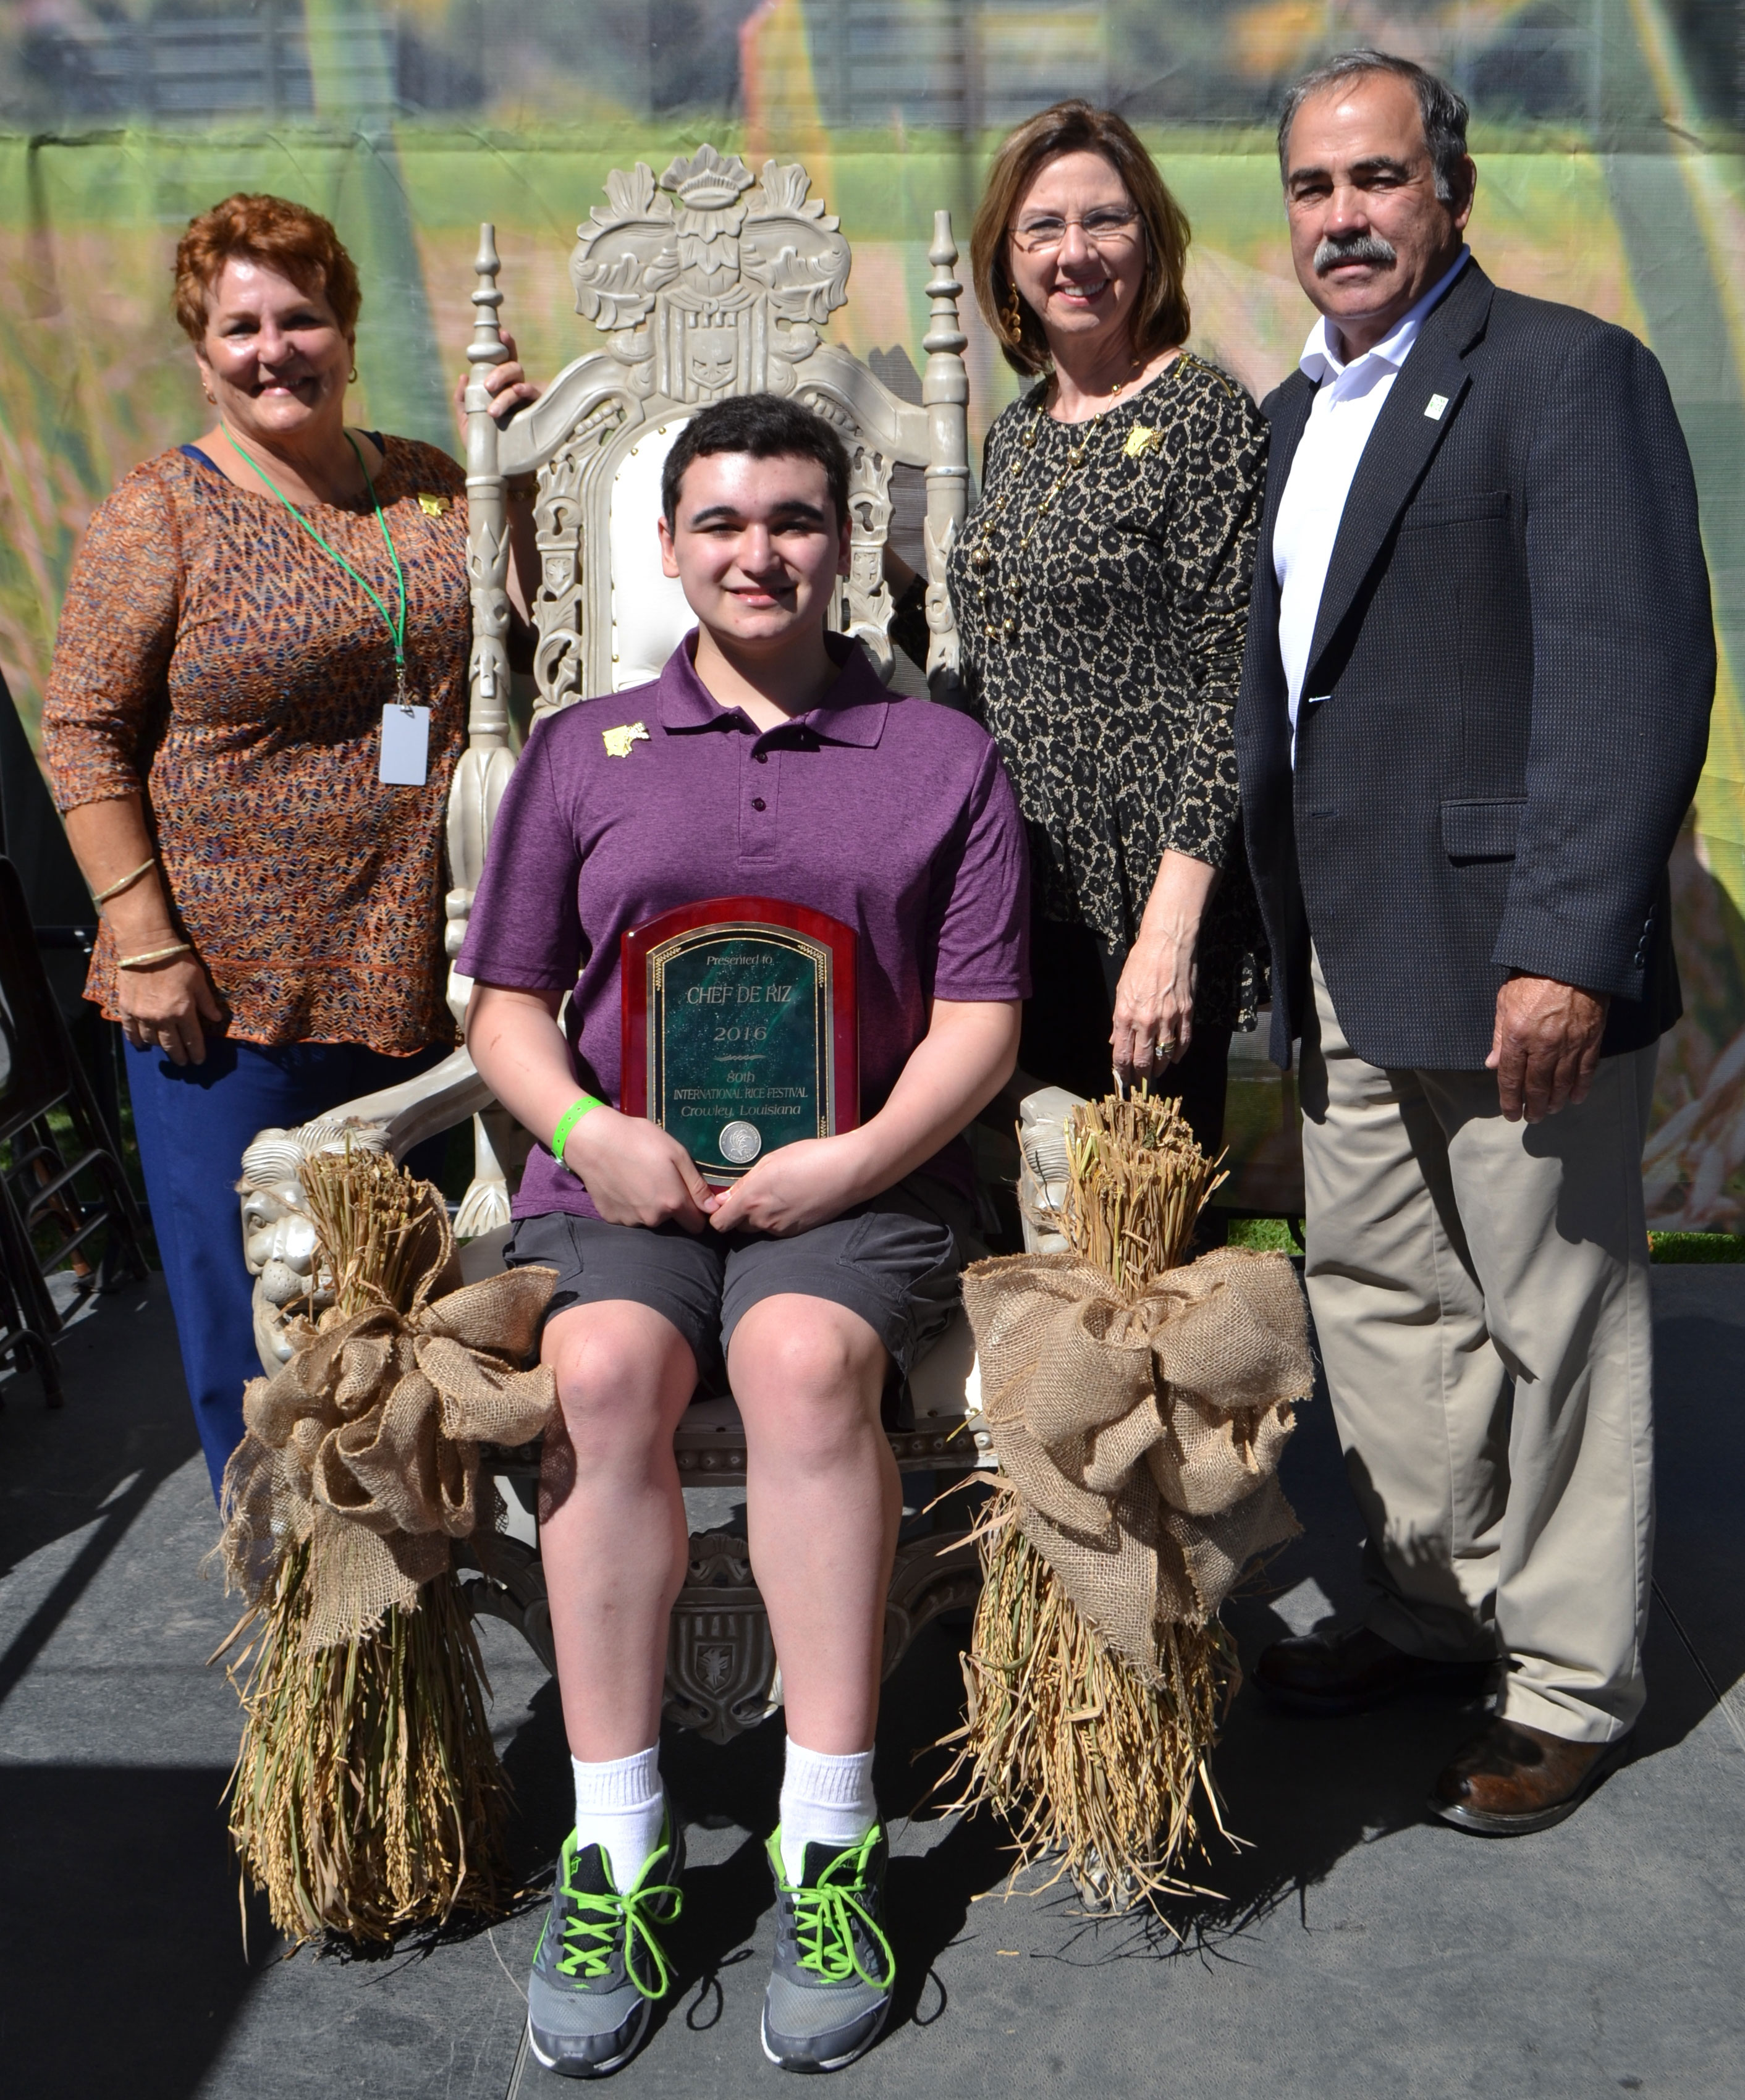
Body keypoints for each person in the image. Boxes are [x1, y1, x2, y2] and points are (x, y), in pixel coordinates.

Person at [459, 394, 1027, 2076]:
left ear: (846, 541)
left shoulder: (939, 757)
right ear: (670, 547)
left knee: (793, 1357)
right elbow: (501, 1009)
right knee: (608, 1367)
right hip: (623, 1185)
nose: (757, 552)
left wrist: (847, 1164)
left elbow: (981, 1024)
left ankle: (829, 1844)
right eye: (721, 522)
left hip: (858, 1185)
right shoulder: (582, 752)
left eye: (792, 518)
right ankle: (618, 1847)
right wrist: (587, 1133)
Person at [1235, 53, 1713, 1832]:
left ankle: (1574, 1682)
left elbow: (1631, 677)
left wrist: (1570, 950)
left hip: (1514, 958)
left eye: (1376, 180)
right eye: (1312, 188)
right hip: (1348, 958)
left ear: (1453, 187)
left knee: (1558, 1318)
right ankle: (1437, 1603)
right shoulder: (1290, 419)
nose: (1343, 216)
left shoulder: (1569, 377)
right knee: (1379, 1306)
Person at [41, 192, 537, 1497]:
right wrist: (144, 941)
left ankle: (413, 1580)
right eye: (239, 326)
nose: (274, 349)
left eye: (300, 317)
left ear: (347, 329)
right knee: (255, 1318)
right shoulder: (167, 510)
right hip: (224, 994)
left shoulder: (432, 481)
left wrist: (527, 458)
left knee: (409, 1310)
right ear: (200, 354)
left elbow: (529, 630)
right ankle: (285, 1597)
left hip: (417, 972)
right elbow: (82, 732)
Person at [890, 99, 1267, 1152]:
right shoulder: (1013, 438)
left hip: (1144, 901)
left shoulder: (1205, 416)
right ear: (1005, 261)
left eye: (1105, 221)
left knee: (1132, 1229)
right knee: (1032, 1216)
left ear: (1151, 236)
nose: (1076, 254)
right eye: (1043, 229)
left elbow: (1234, 681)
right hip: (1018, 894)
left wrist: (1170, 927)